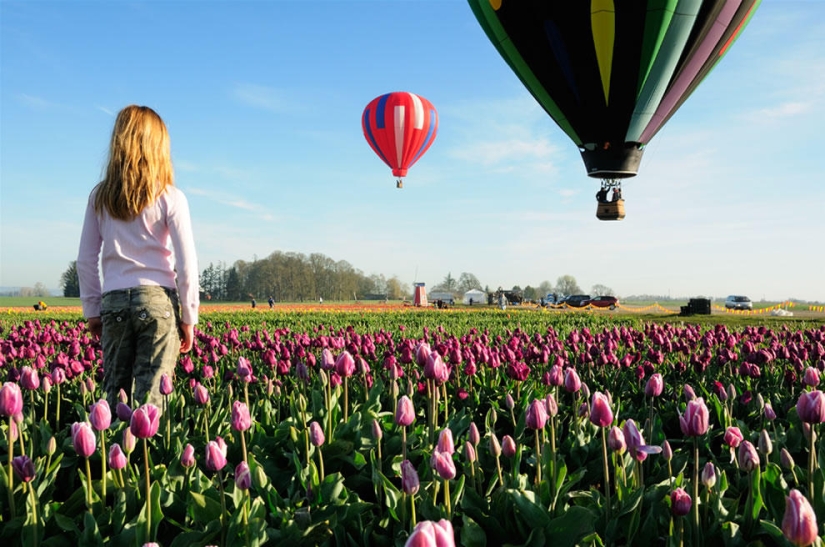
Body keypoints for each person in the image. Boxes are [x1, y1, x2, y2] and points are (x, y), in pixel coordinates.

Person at [77, 105, 199, 412]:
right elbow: (186, 265)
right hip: (158, 302)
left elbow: (85, 260)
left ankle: (115, 452)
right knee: (151, 400)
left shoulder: (100, 197)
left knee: (114, 395)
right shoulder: (171, 197)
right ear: (160, 147)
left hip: (114, 302)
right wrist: (189, 317)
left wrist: (93, 309)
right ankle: (148, 458)